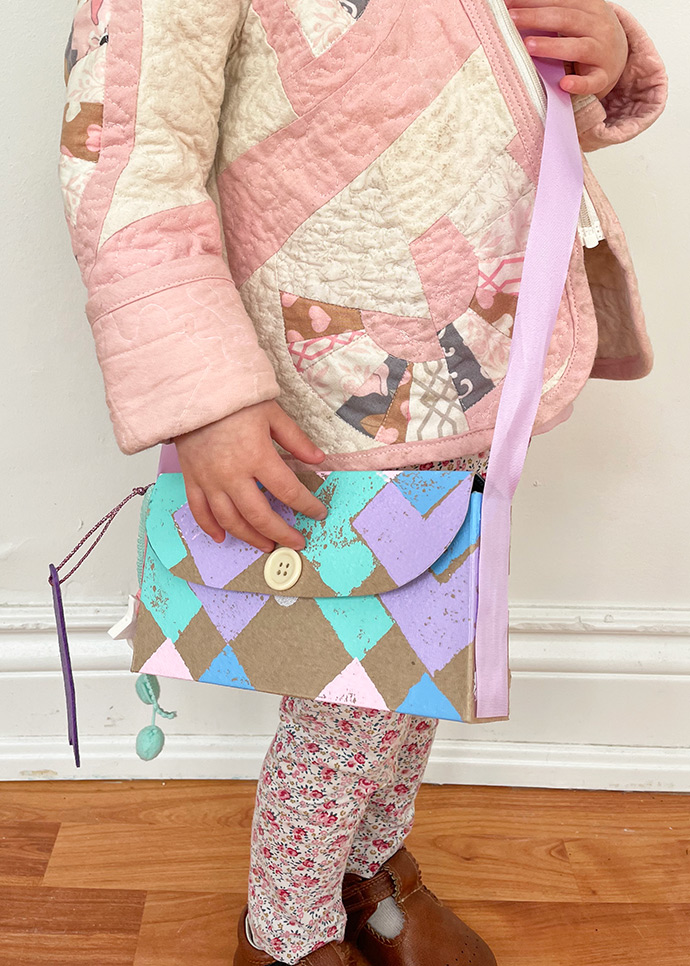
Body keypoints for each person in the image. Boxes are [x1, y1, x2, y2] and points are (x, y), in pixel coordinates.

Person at [58, 1, 667, 963]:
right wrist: (205, 396)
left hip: (468, 353)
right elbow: (129, 147)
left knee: (420, 648)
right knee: (345, 696)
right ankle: (287, 935)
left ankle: (369, 870)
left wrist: (605, 53)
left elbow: (490, 70)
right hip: (321, 374)